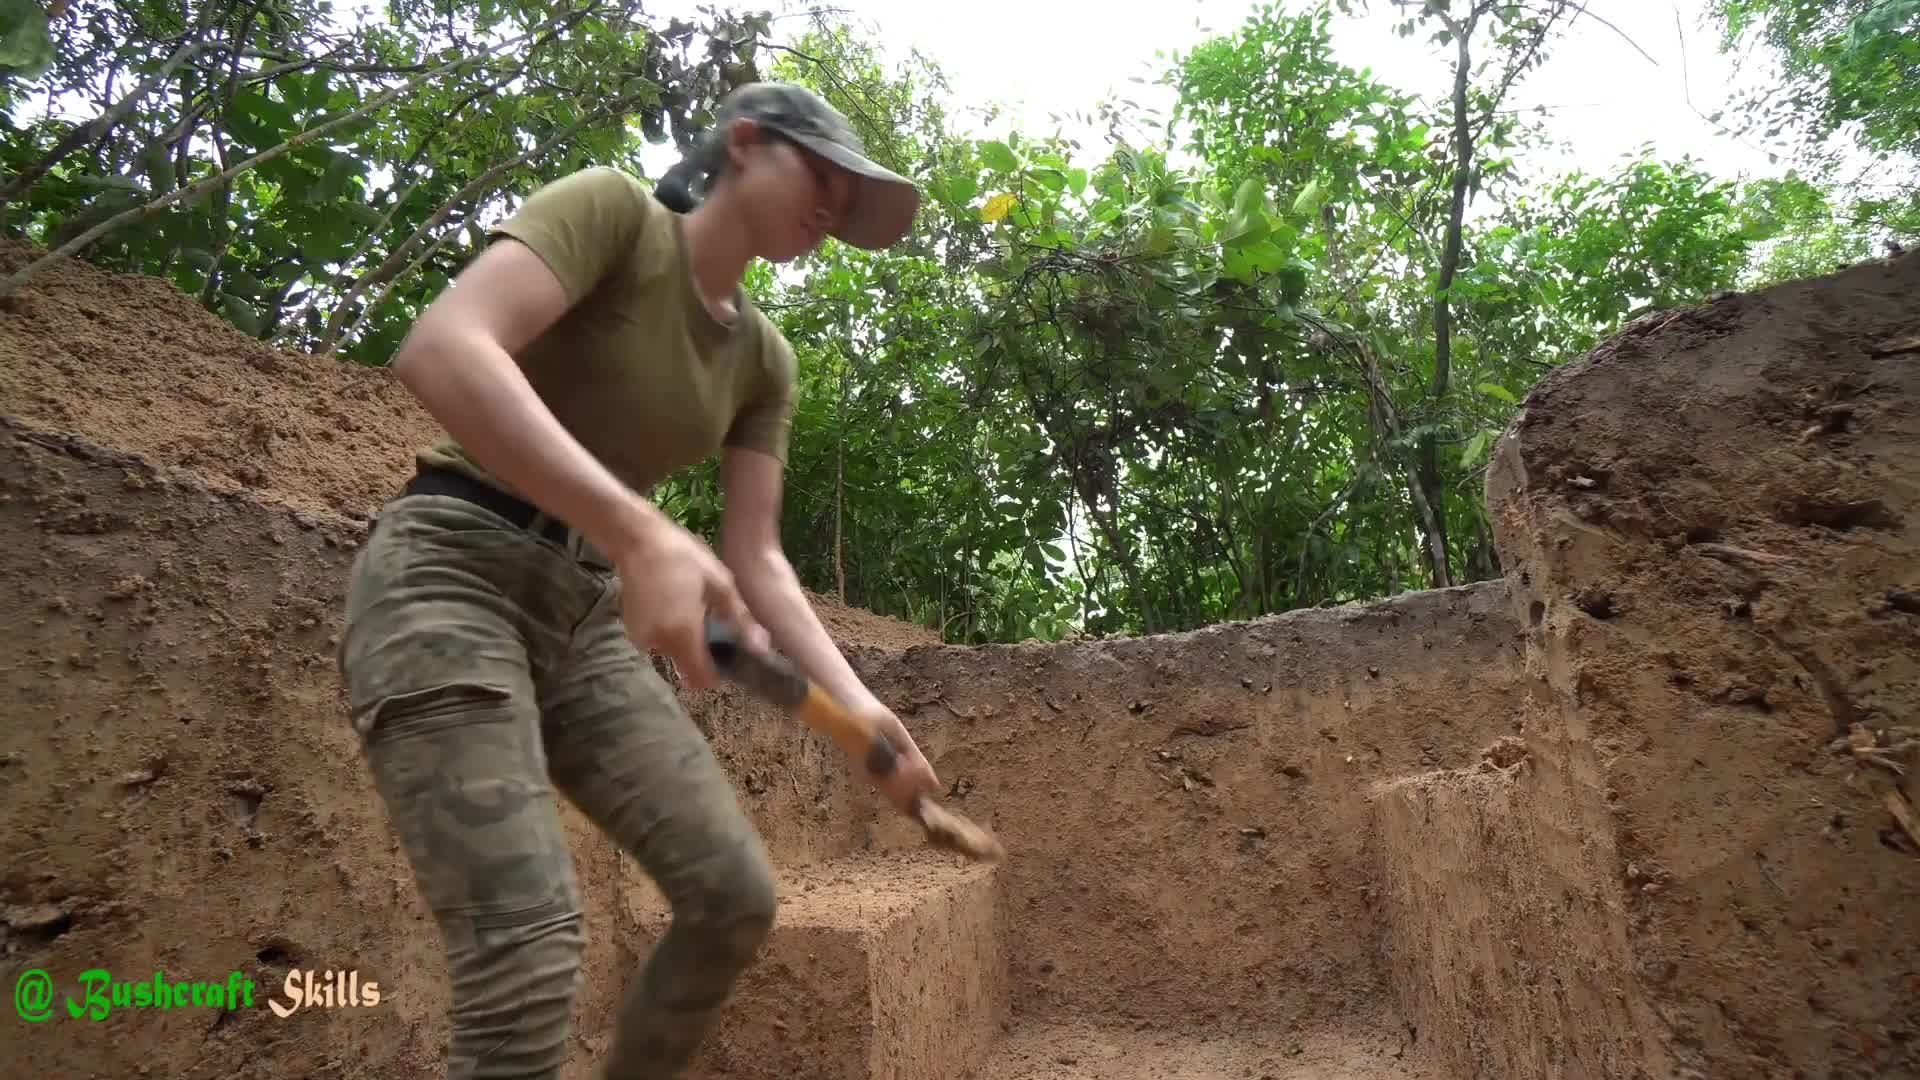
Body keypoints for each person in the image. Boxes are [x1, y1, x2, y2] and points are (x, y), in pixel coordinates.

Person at [336, 81, 941, 1080]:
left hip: (581, 616)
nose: (833, 206)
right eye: (821, 176)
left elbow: (759, 557)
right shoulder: (613, 213)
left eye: (850, 196)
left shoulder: (763, 359)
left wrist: (860, 705)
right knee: (526, 954)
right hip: (449, 572)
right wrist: (637, 528)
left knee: (732, 895)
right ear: (745, 144)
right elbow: (444, 346)